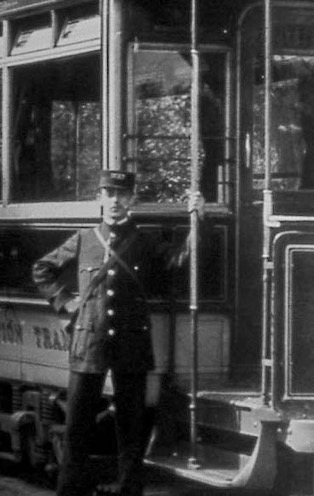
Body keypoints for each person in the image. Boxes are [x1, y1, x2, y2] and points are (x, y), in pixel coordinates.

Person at [32, 170, 203, 496]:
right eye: (108, 194)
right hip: (90, 341)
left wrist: (197, 221)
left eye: (121, 195)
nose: (114, 201)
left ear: (131, 200)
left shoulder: (144, 240)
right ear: (99, 198)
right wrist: (64, 301)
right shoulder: (84, 239)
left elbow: (180, 261)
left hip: (131, 343)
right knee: (77, 428)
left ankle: (129, 490)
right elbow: (42, 268)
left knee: (132, 429)